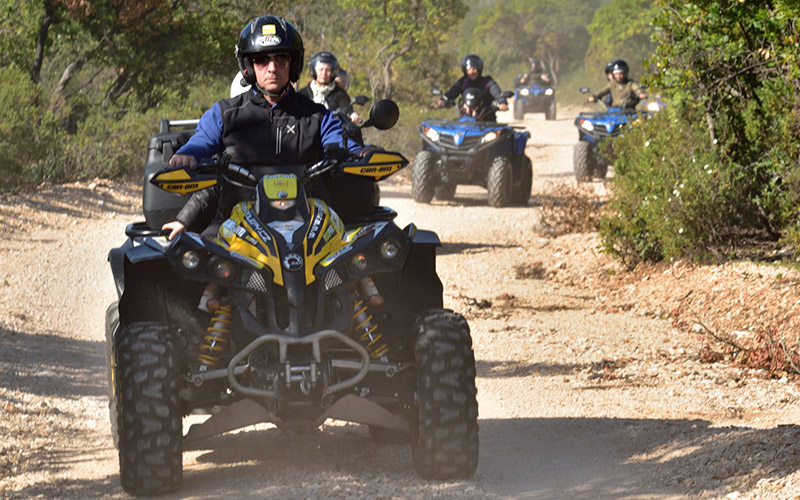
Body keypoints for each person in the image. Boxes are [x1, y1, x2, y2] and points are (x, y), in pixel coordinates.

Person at [162, 15, 371, 239]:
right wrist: (187, 155)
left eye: (281, 59)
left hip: (310, 221)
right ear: (249, 66)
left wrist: (358, 152)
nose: (272, 68)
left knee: (357, 256)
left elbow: (337, 139)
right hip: (235, 221)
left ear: (293, 65)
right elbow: (201, 142)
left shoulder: (317, 115)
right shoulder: (224, 113)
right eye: (262, 60)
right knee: (200, 259)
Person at [436, 54, 508, 122]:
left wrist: (502, 102)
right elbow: (451, 93)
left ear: (479, 69)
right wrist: (443, 100)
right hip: (465, 120)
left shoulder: (487, 81)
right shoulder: (462, 82)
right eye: (469, 68)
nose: (472, 71)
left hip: (487, 121)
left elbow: (497, 93)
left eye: (474, 68)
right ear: (465, 70)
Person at [298, 51, 362, 124]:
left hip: (333, 131)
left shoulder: (339, 93)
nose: (324, 73)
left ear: (333, 72)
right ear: (314, 70)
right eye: (321, 69)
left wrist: (353, 115)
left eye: (328, 70)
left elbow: (347, 108)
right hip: (307, 132)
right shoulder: (303, 93)